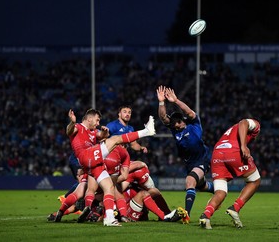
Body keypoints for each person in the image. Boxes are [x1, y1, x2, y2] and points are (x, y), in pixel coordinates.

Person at [54, 108, 156, 226]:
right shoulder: (78, 127)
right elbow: (69, 131)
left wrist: (104, 133)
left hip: (93, 164)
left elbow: (101, 136)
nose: (98, 123)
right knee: (116, 139)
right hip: (85, 156)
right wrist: (72, 122)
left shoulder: (93, 131)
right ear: (89, 119)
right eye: (97, 120)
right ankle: (146, 131)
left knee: (109, 187)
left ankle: (109, 218)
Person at [156, 85, 214, 219]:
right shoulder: (174, 130)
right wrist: (161, 102)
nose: (175, 123)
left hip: (202, 159)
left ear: (182, 120)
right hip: (189, 163)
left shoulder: (194, 124)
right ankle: (218, 190)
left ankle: (186, 214)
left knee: (190, 181)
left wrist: (176, 101)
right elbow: (163, 117)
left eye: (177, 120)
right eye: (174, 121)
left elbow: (189, 112)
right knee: (202, 186)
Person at [199, 118, 261, 229]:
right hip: (232, 151)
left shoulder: (231, 130)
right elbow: (244, 122)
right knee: (255, 180)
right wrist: (243, 146)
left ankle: (206, 215)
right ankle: (235, 208)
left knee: (220, 192)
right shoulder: (256, 125)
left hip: (217, 153)